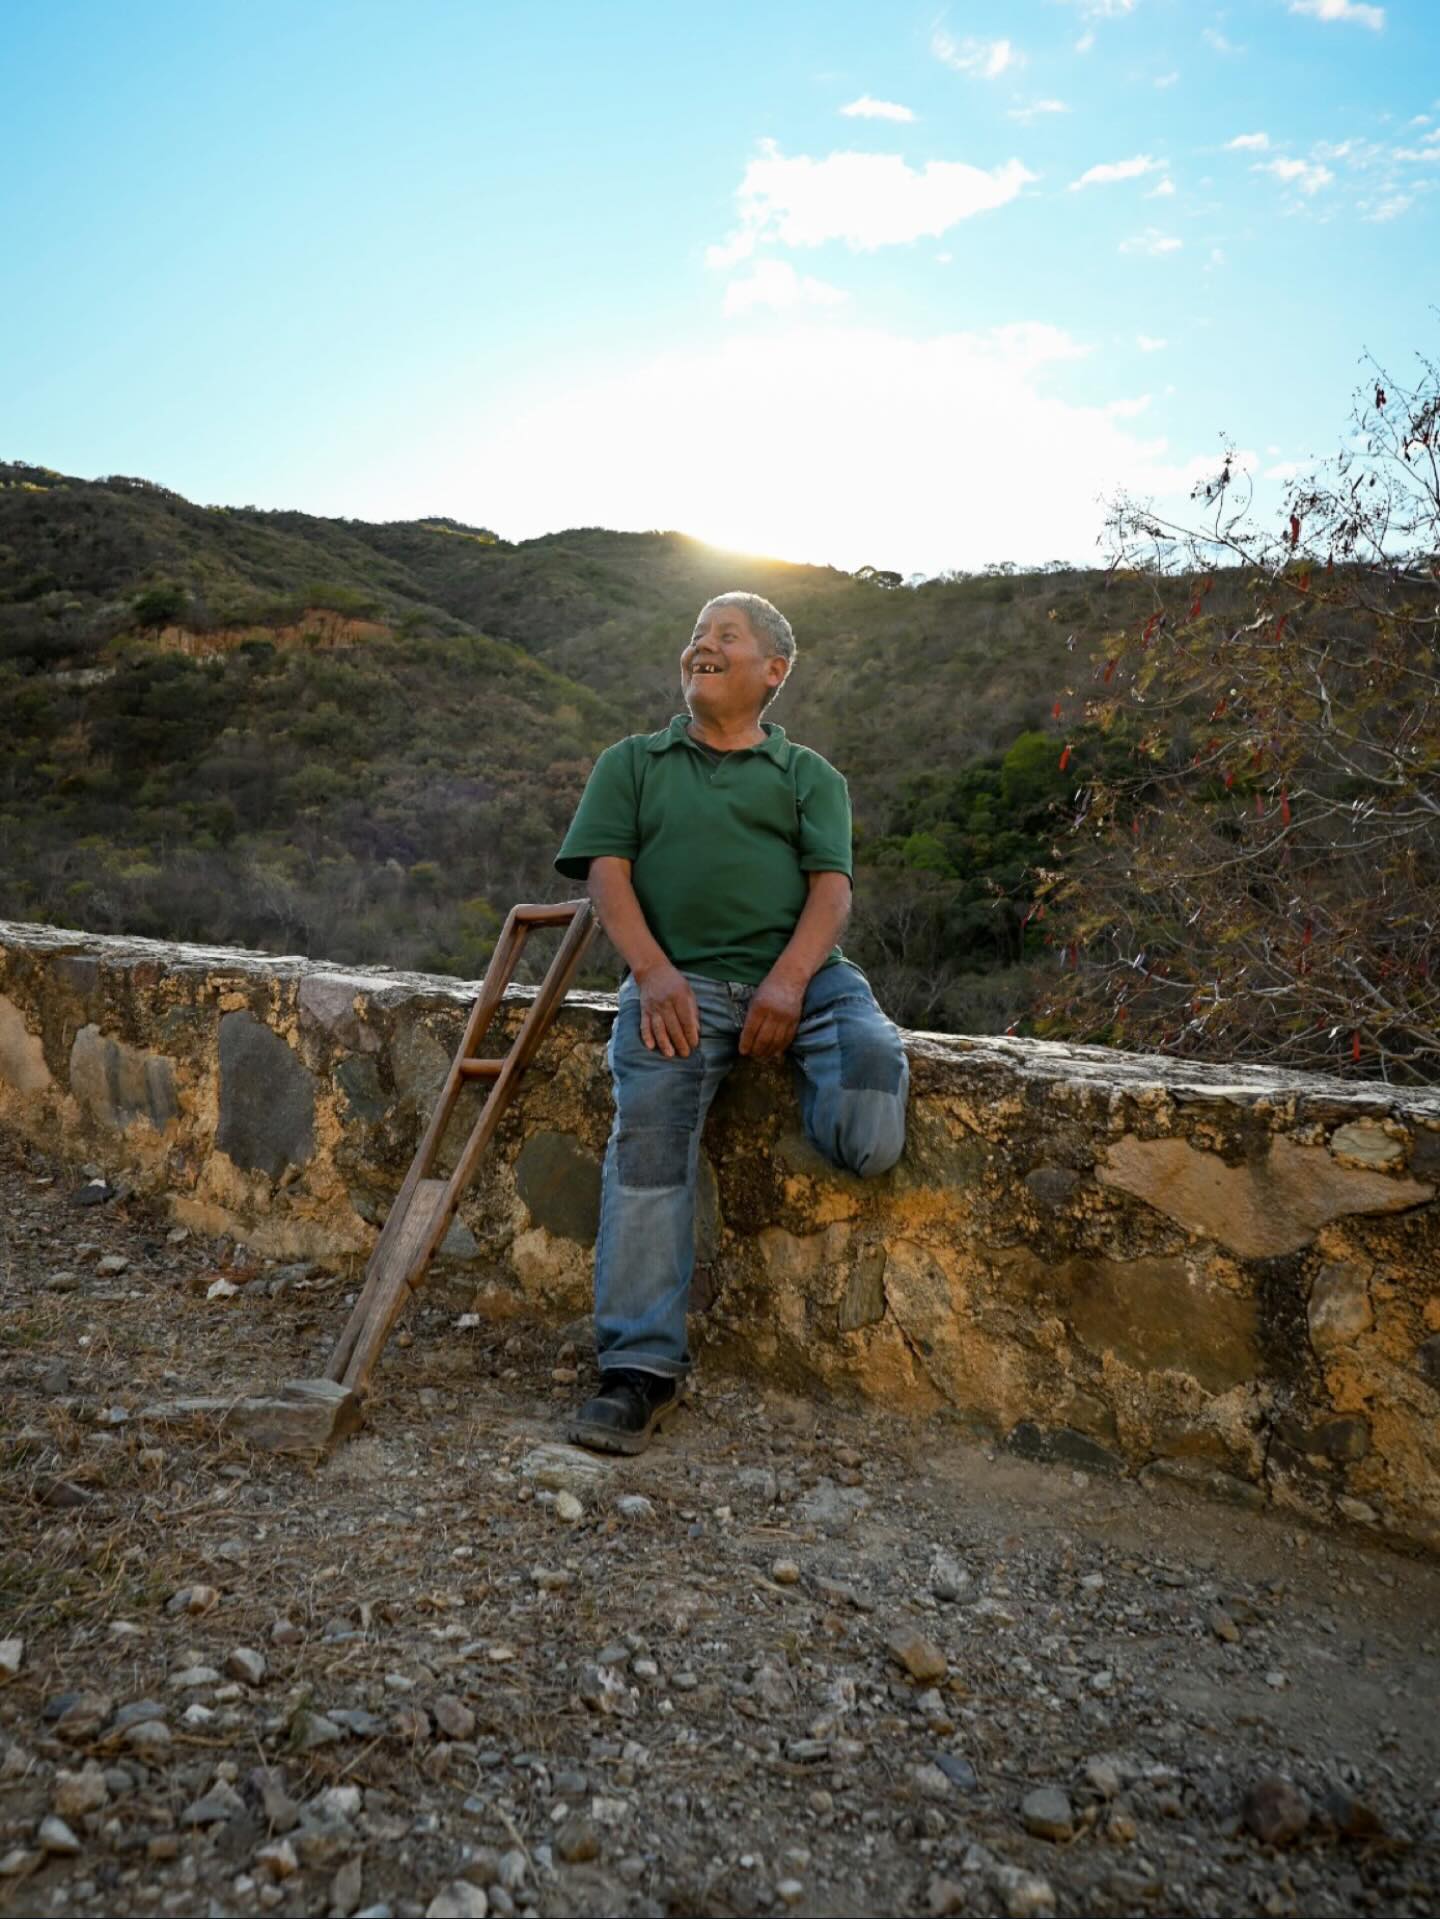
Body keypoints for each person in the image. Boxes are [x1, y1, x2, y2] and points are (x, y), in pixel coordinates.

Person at [553, 591, 909, 1453]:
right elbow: (606, 877)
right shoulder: (633, 762)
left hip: (809, 983)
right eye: (696, 636)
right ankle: (638, 1370)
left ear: (773, 670)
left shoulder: (811, 776)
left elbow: (833, 891)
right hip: (678, 987)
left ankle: (799, 1083)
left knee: (869, 1112)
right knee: (649, 1140)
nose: (700, 646)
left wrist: (786, 987)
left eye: (726, 637)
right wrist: (653, 972)